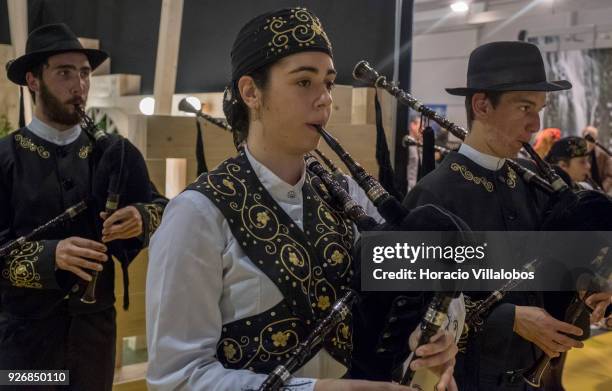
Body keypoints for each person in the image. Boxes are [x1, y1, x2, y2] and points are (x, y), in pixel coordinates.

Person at [146, 8, 457, 391]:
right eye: (304, 82)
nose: (325, 99)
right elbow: (177, 379)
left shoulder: (348, 194)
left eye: (327, 82)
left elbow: (401, 300)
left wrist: (428, 339)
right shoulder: (197, 215)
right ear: (250, 92)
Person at [403, 41, 586, 390]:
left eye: (540, 108)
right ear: (482, 105)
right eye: (524, 107)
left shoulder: (529, 186)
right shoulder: (433, 196)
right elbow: (410, 308)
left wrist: (586, 281)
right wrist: (510, 319)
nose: (535, 123)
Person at [0, 23, 166, 390]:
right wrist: (50, 256)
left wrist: (140, 218)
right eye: (64, 72)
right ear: (32, 80)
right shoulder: (6, 158)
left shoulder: (113, 153)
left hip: (94, 340)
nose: (79, 85)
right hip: (26, 343)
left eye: (85, 73)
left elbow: (161, 209)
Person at [582, 125, 612, 194]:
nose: (588, 142)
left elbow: (610, 175)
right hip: (584, 191)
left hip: (600, 191)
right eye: (586, 138)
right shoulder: (578, 154)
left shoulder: (603, 155)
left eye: (591, 138)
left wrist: (602, 190)